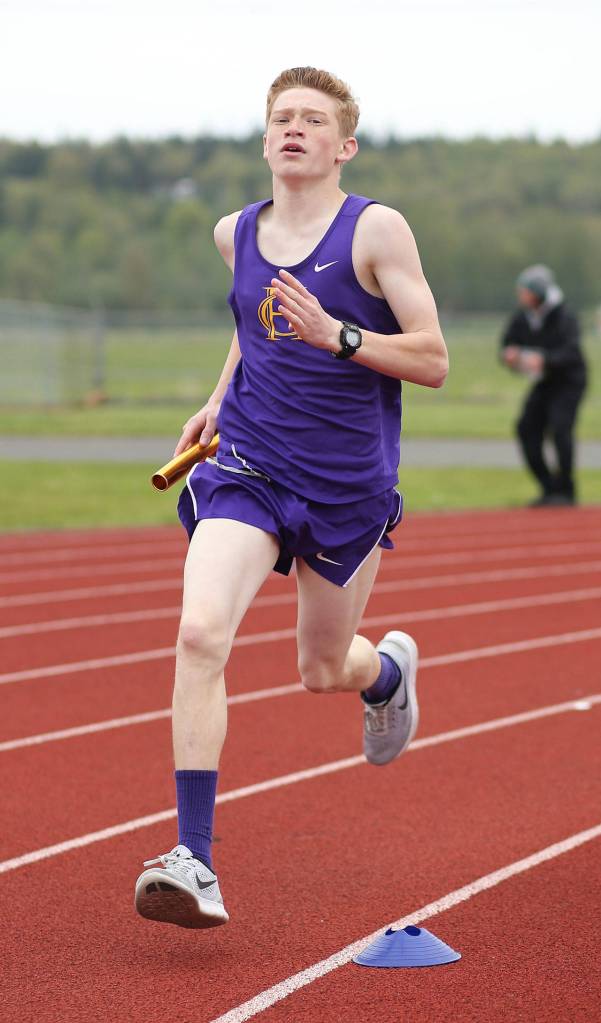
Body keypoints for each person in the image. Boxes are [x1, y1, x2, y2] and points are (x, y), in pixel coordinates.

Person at [134, 67, 448, 929]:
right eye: (281, 118)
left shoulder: (374, 230)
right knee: (200, 632)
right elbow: (251, 326)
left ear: (344, 146)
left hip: (345, 484)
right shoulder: (234, 232)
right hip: (248, 463)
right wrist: (216, 397)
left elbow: (431, 359)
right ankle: (193, 857)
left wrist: (337, 334)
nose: (294, 129)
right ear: (265, 138)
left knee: (321, 669)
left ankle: (385, 674)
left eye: (312, 120)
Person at [500, 264, 587, 506]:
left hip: (569, 381)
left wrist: (545, 359)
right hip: (544, 382)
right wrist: (508, 354)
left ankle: (566, 490)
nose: (521, 295)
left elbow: (571, 351)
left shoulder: (564, 316)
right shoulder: (523, 317)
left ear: (538, 292)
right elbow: (507, 343)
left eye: (525, 291)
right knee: (526, 428)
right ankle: (549, 488)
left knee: (560, 429)